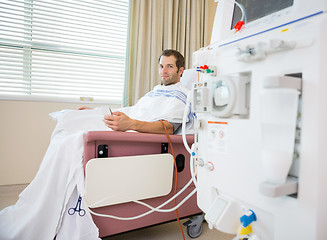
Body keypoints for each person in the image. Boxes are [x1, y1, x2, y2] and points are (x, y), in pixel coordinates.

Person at [0, 49, 192, 240]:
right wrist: (98, 112)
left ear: (180, 70)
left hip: (136, 134)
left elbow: (166, 126)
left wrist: (130, 124)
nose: (164, 71)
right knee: (69, 120)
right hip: (127, 126)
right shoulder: (154, 92)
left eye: (170, 66)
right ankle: (46, 203)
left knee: (72, 141)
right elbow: (132, 110)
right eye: (161, 66)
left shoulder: (183, 96)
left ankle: (51, 207)